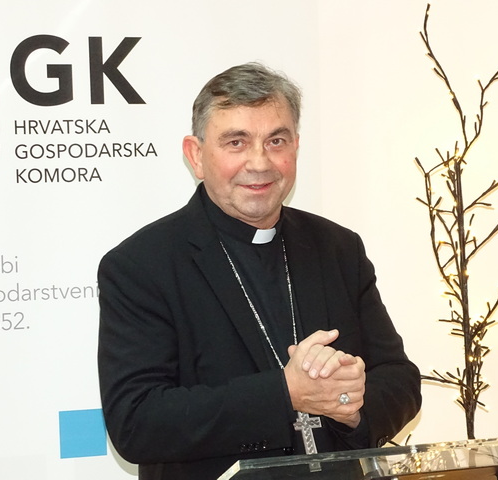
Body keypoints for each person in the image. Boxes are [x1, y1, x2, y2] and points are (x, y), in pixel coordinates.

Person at [97, 62, 421, 480]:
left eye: (276, 141)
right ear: (196, 156)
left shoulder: (338, 248)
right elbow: (136, 421)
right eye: (236, 142)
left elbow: (400, 379)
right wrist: (286, 394)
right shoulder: (141, 265)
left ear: (296, 148)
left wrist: (352, 404)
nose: (260, 162)